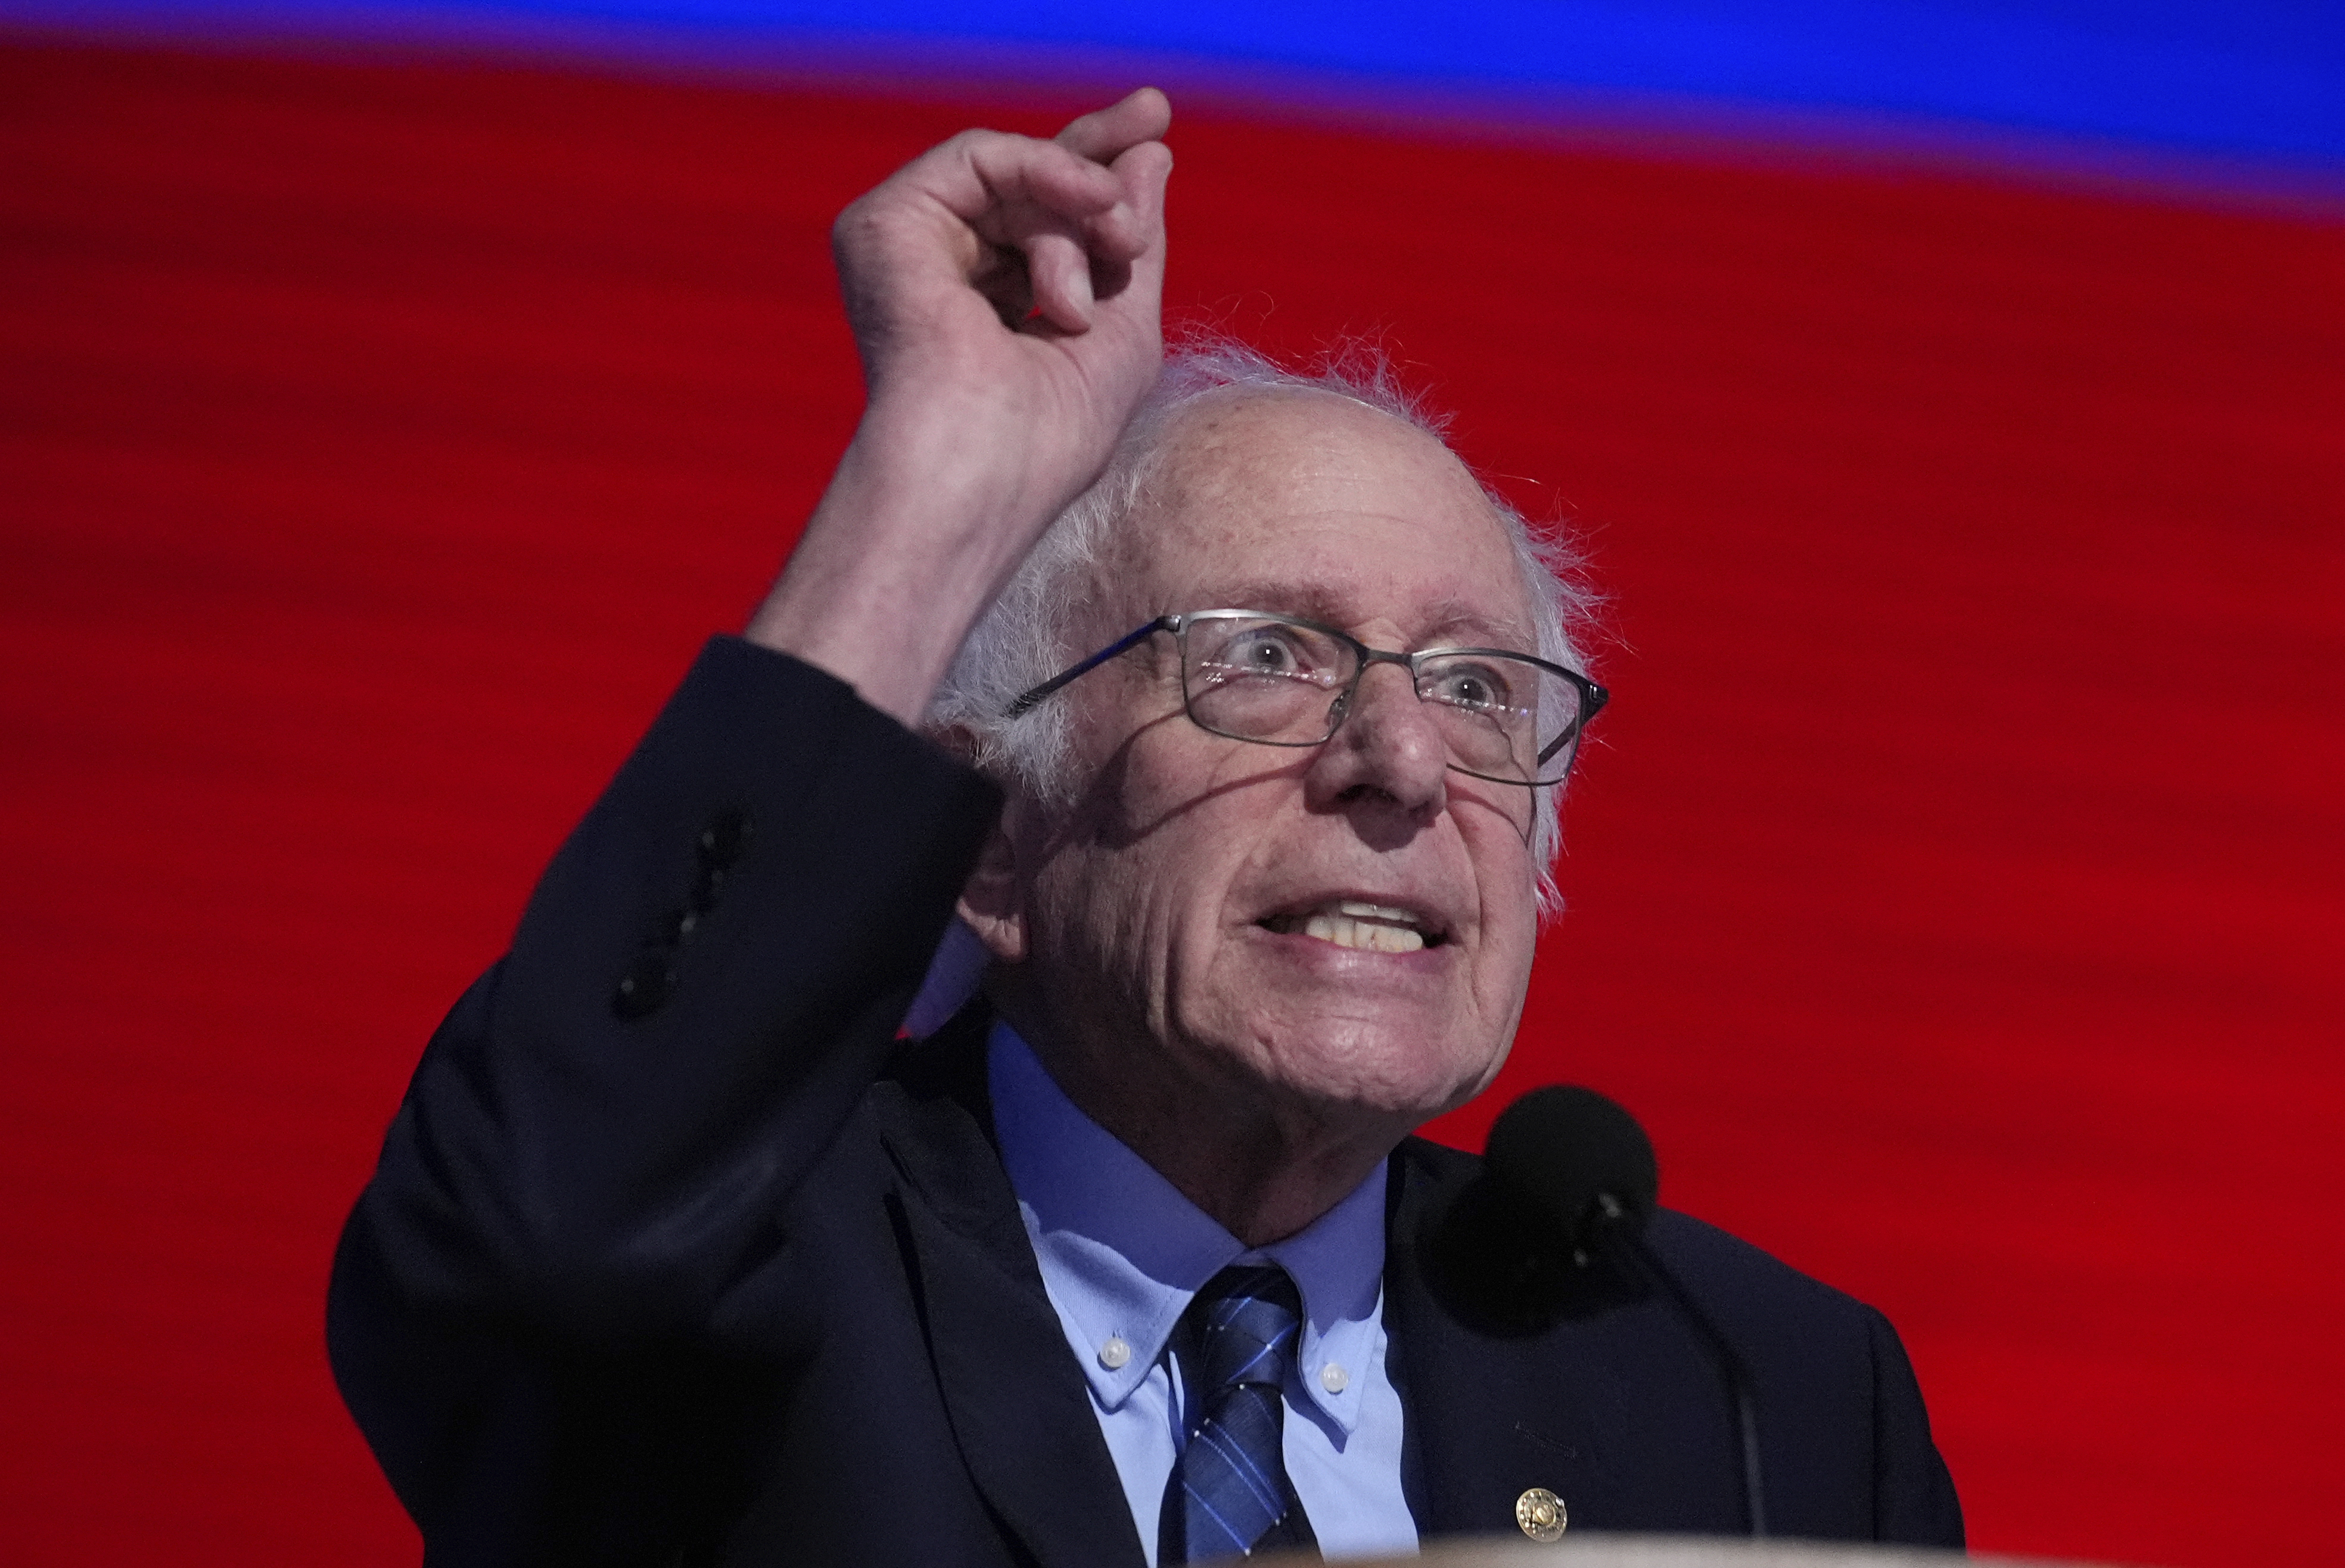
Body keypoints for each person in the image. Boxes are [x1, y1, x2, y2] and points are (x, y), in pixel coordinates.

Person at [329, 89, 1961, 1565]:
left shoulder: (1760, 1389)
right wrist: (940, 475)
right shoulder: (743, 1267)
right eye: (1265, 658)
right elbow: (529, 1231)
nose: (1397, 758)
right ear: (988, 843)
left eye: (1479, 688)